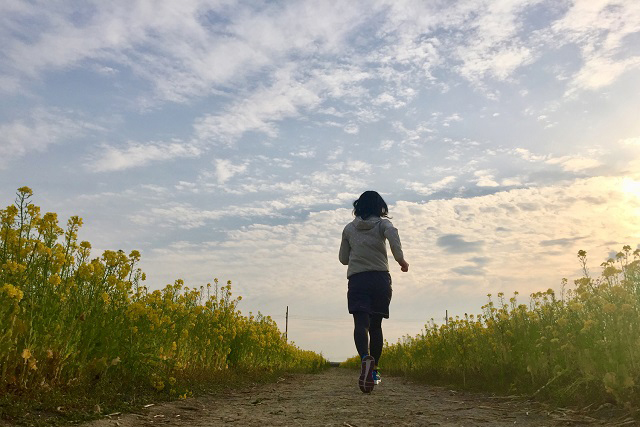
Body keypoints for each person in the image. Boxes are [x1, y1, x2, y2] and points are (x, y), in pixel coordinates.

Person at [339, 191, 409, 393]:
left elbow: (344, 259)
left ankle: (364, 359)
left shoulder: (349, 229)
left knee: (361, 323)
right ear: (380, 207)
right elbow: (393, 236)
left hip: (358, 279)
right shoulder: (382, 224)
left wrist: (357, 251)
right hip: (379, 278)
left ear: (358, 206)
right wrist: (401, 260)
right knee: (376, 326)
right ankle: (374, 369)